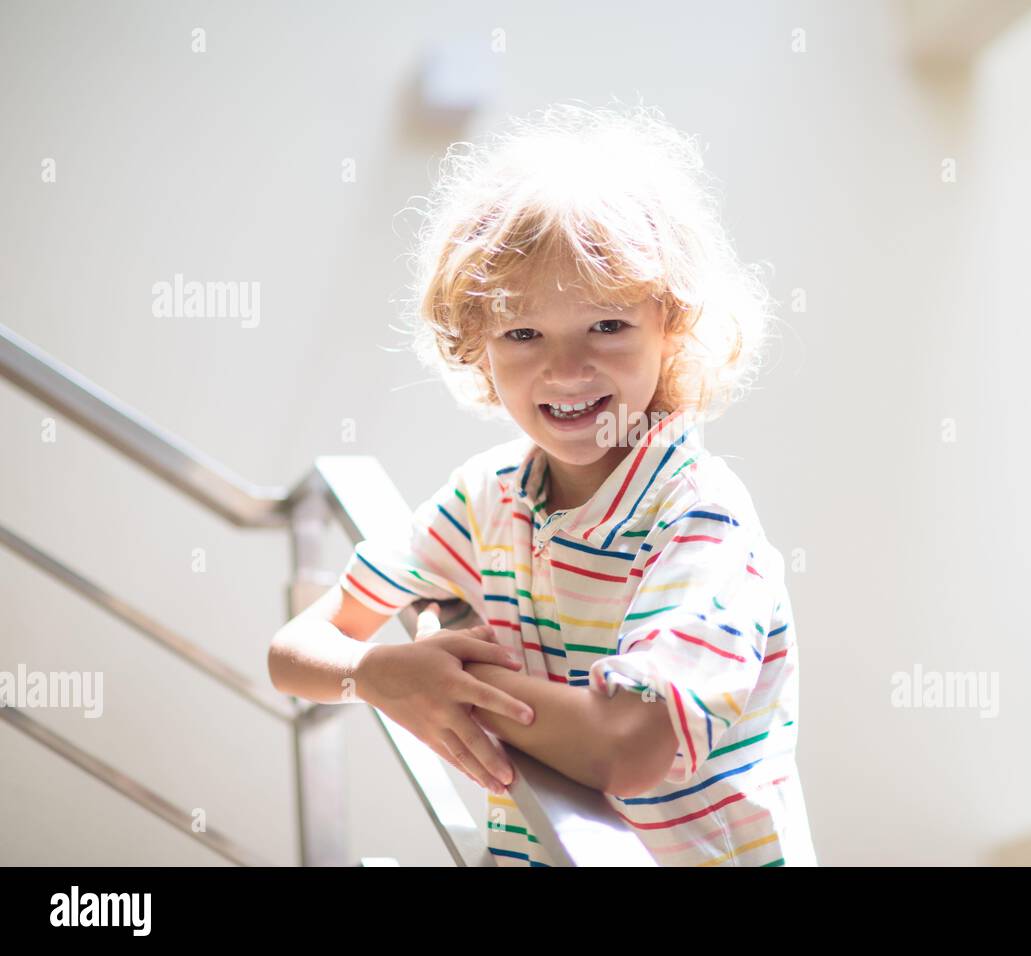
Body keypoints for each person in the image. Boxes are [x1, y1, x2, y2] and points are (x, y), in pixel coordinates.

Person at [268, 101, 816, 867]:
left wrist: (446, 687)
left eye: (607, 326)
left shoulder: (699, 516)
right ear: (477, 346)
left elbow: (630, 743)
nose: (565, 369)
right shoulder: (485, 498)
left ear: (673, 326)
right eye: (522, 333)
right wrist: (369, 674)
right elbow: (295, 650)